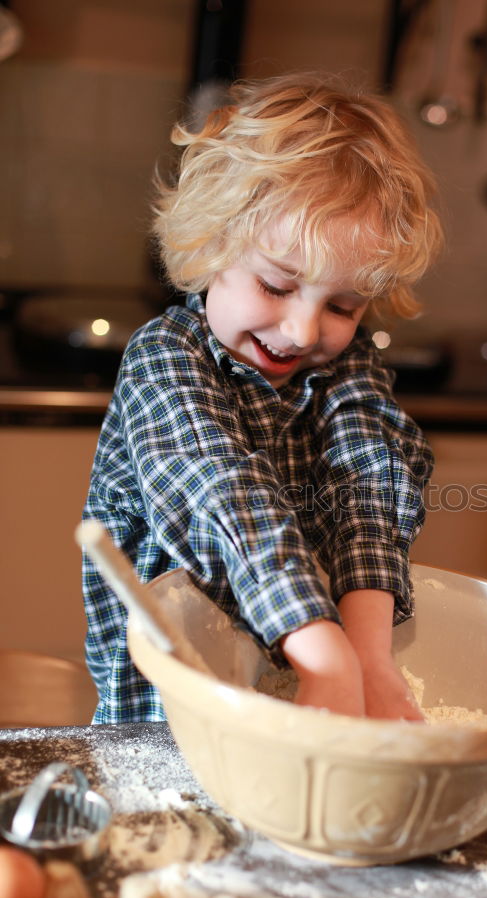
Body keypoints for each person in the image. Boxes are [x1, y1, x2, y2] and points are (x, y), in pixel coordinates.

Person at [80, 72, 443, 725]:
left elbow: (370, 489)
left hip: (294, 670)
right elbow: (227, 498)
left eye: (341, 304)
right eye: (277, 286)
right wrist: (327, 659)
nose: (303, 332)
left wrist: (368, 656)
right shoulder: (166, 360)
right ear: (212, 243)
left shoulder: (349, 366)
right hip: (166, 706)